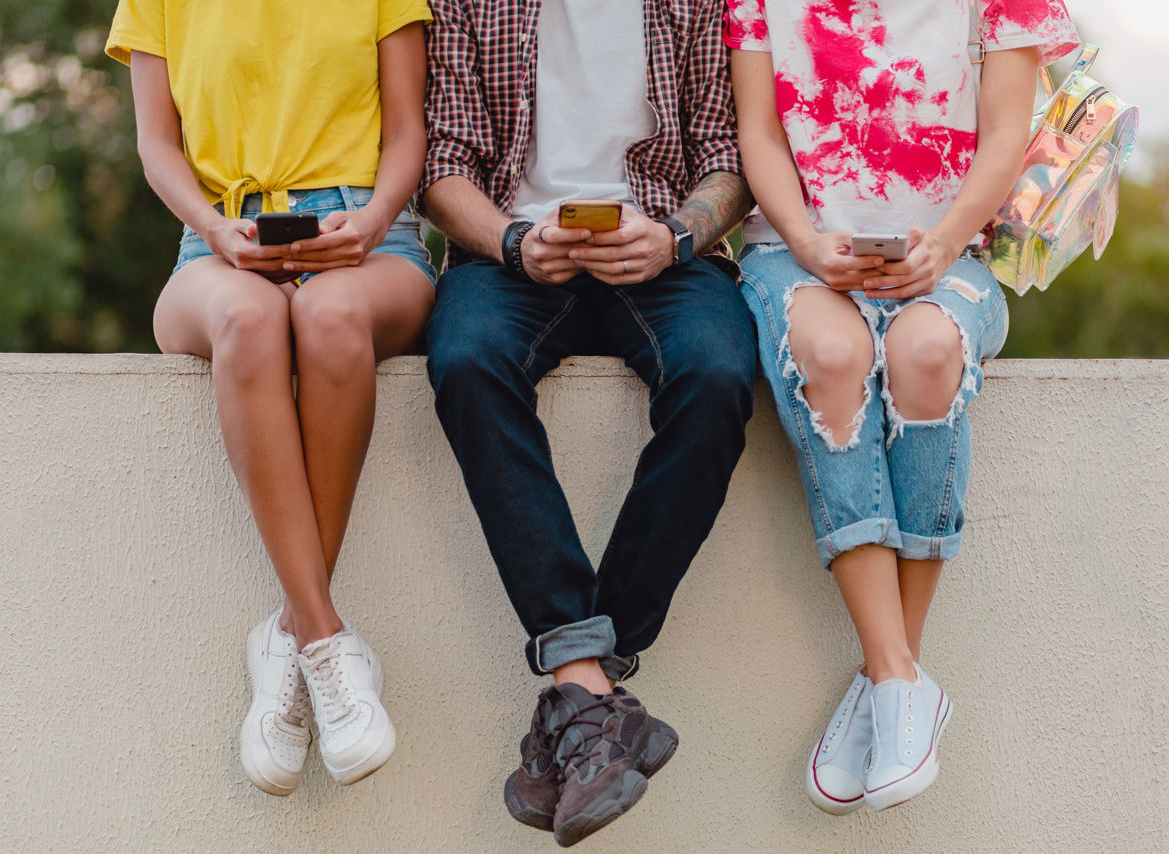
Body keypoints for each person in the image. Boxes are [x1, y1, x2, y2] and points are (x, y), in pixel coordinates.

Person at [725, 0, 1078, 814]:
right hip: (797, 255)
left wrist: (944, 242)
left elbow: (1005, 134)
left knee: (924, 354)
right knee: (834, 356)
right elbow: (761, 135)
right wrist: (812, 245)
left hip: (949, 253)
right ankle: (898, 680)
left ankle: (889, 678)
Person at [419, 0, 757, 845]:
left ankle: (586, 683)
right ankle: (593, 688)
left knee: (717, 374)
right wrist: (511, 239)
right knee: (465, 362)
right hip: (512, 259)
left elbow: (731, 159)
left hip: (662, 256)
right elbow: (442, 168)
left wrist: (676, 235)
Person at [105, 0, 437, 796]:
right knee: (251, 323)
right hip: (216, 242)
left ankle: (283, 642)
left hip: (368, 235)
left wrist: (374, 219)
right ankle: (322, 638)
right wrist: (214, 230)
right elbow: (156, 143)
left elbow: (407, 134)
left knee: (329, 316)